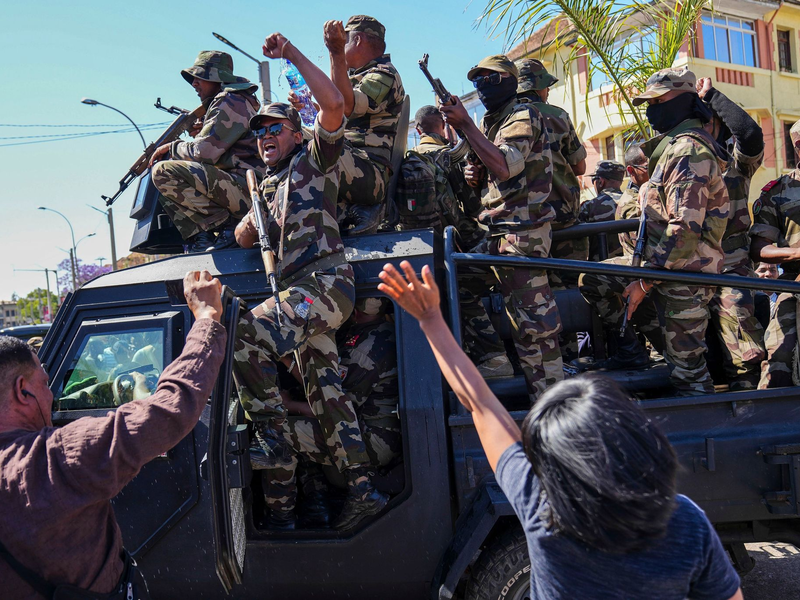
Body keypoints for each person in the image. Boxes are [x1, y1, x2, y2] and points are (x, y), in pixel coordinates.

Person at [377, 260, 743, 600]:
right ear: (638, 437)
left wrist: (430, 320)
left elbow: (481, 407)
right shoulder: (684, 521)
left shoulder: (544, 513)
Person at [232, 32, 386, 531]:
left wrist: (295, 53)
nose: (265, 136)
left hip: (324, 286)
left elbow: (336, 103)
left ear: (296, 134)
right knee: (327, 396)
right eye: (260, 132)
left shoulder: (313, 161)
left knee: (242, 333)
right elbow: (240, 236)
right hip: (299, 297)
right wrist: (251, 219)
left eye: (275, 128)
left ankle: (273, 442)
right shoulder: (269, 187)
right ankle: (363, 489)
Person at [0, 270, 226, 599]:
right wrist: (207, 318)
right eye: (46, 384)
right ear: (23, 392)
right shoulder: (54, 459)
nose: (50, 396)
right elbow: (170, 407)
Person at [585, 68, 729, 396]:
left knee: (689, 375)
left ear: (683, 102)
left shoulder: (688, 151)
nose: (651, 110)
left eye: (658, 101)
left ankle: (704, 435)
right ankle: (639, 350)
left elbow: (684, 230)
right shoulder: (674, 147)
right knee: (591, 279)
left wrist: (643, 283)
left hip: (686, 277)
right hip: (662, 269)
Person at [440, 55, 563, 402]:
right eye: (478, 81)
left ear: (511, 80)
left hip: (523, 234)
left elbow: (506, 166)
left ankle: (551, 405)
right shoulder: (495, 121)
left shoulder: (524, 114)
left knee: (535, 330)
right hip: (497, 234)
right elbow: (493, 179)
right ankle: (494, 358)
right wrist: (475, 177)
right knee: (456, 280)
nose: (482, 87)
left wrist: (466, 126)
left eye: (491, 79)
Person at [150, 51, 263, 252]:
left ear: (217, 77)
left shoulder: (230, 99)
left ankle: (226, 227)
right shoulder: (233, 100)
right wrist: (201, 134)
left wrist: (173, 147)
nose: (194, 83)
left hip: (249, 192)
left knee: (163, 171)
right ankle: (201, 237)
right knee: (166, 184)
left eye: (201, 77)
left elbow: (204, 154)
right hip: (241, 188)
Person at [515, 58, 587, 363]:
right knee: (569, 286)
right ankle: (572, 354)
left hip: (524, 222)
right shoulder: (558, 116)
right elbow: (581, 165)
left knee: (531, 296)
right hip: (563, 215)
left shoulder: (504, 119)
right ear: (541, 88)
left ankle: (548, 358)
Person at [696, 77, 765, 391]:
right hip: (688, 273)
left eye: (707, 124)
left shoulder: (734, 168)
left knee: (743, 358)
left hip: (730, 269)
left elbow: (750, 134)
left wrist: (712, 96)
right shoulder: (678, 167)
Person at [323, 15, 405, 230]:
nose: (343, 45)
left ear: (357, 40)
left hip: (370, 169)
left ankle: (368, 209)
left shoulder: (384, 74)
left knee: (315, 149)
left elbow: (348, 106)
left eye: (345, 40)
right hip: (350, 160)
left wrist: (336, 52)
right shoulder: (354, 77)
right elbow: (334, 116)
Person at [752, 120, 800, 388]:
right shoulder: (777, 192)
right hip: (794, 286)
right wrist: (795, 254)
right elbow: (760, 249)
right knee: (779, 356)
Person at [400, 105, 484, 248]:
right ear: (444, 125)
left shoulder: (406, 158)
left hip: (415, 238)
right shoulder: (450, 157)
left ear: (418, 130)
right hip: (453, 235)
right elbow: (473, 207)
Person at [578, 160, 625, 261]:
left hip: (599, 271)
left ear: (600, 181)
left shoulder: (589, 207)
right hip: (632, 268)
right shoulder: (633, 202)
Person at [617, 143, 649, 256]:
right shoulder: (631, 202)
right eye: (648, 167)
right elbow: (645, 245)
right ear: (631, 170)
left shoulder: (644, 192)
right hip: (640, 266)